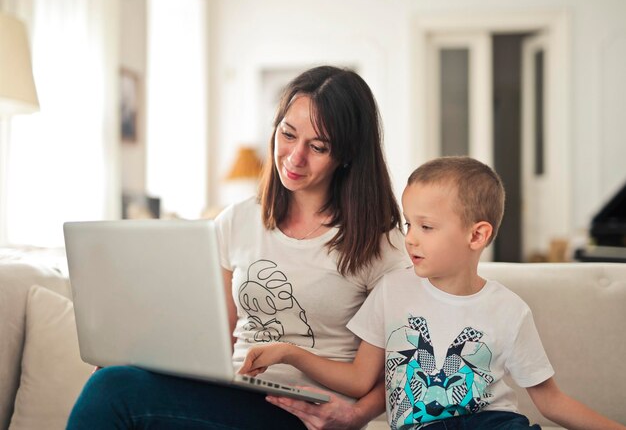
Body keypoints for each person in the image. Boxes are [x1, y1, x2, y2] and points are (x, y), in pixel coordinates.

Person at [66, 65, 411, 430]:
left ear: (347, 154)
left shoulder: (381, 244)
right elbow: (214, 336)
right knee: (113, 382)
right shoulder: (238, 220)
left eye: (318, 147)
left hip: (307, 413)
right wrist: (134, 357)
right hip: (235, 395)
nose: (295, 157)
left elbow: (403, 365)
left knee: (112, 392)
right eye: (288, 134)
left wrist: (357, 416)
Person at [240, 156, 626, 430]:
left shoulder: (509, 310)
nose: (409, 238)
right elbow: (359, 380)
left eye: (426, 226)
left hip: (490, 423)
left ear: (477, 235)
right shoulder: (393, 290)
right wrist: (290, 352)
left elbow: (551, 401)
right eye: (409, 224)